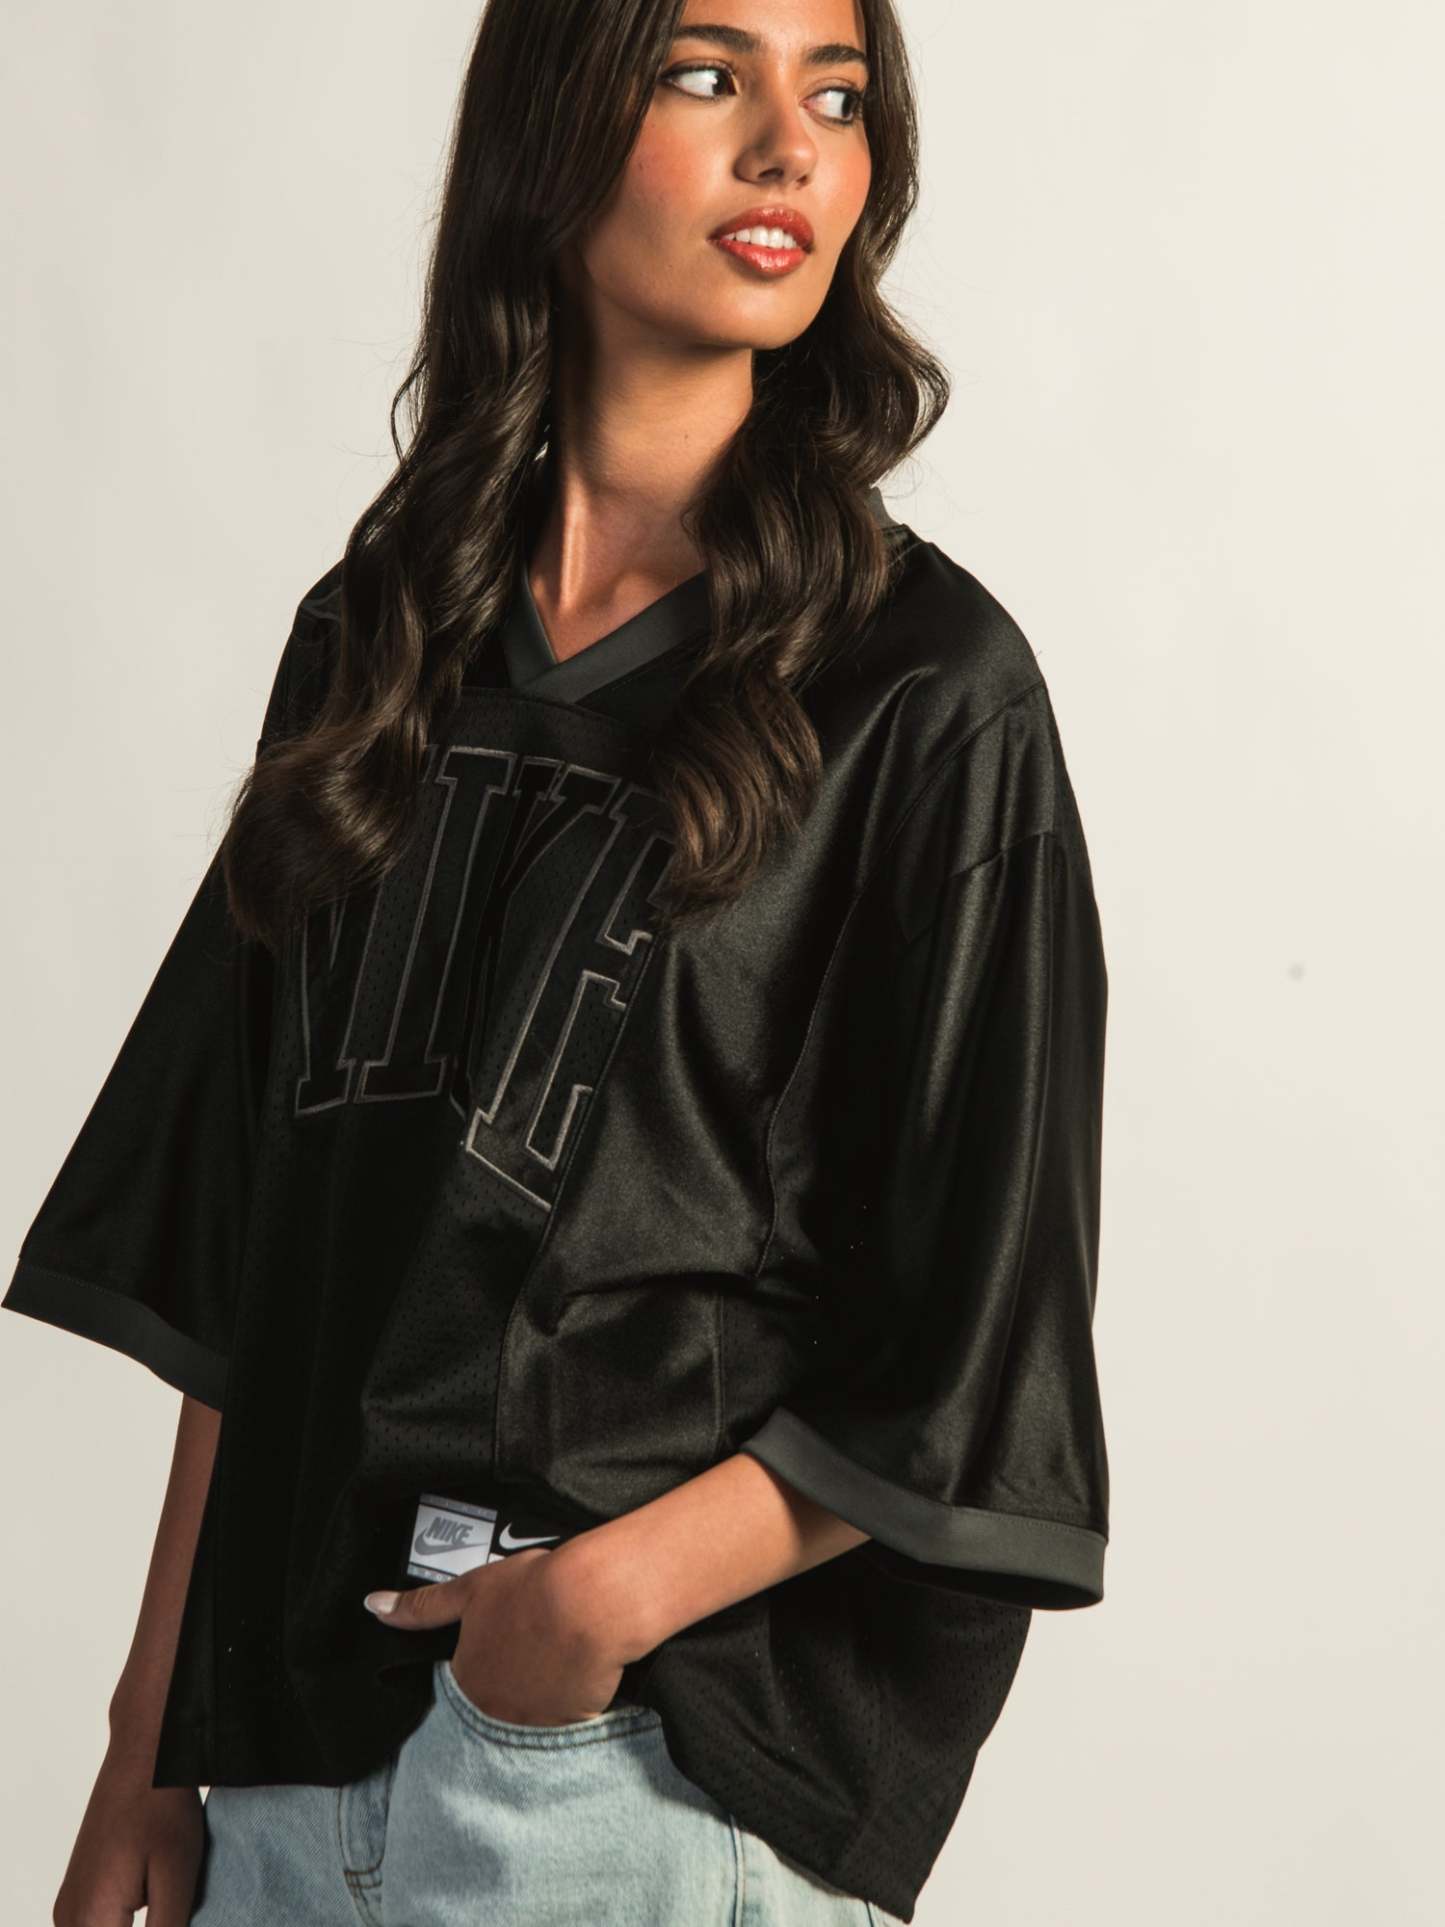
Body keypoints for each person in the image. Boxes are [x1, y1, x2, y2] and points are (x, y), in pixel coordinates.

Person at [7, 1, 1112, 1922]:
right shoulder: (380, 640)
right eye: (707, 73)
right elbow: (260, 1253)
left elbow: (978, 1330)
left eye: (838, 95)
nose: (789, 147)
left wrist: (594, 1608)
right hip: (287, 1776)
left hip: (628, 1783)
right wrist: (144, 1749)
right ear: (554, 123)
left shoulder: (922, 692)